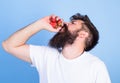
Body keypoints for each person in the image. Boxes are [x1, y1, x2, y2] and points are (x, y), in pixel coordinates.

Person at [2, 13, 111, 83]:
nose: (65, 23)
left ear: (82, 34)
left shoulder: (96, 66)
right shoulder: (46, 55)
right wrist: (40, 24)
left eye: (73, 23)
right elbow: (8, 45)